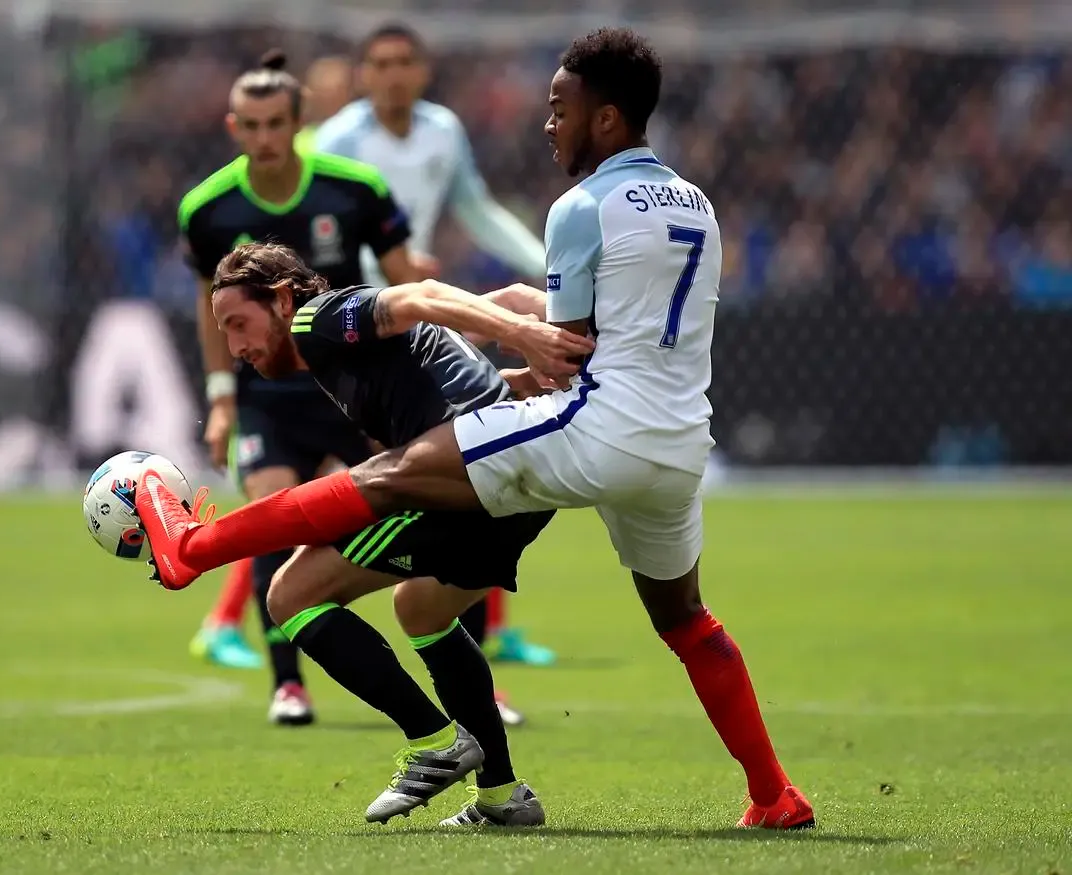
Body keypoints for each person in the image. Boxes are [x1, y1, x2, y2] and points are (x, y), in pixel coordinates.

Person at [140, 27, 815, 831]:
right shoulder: (697, 205)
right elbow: (611, 326)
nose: (548, 123)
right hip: (677, 445)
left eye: (561, 109)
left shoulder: (578, 207)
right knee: (675, 620)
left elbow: (562, 346)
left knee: (375, 487)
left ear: (606, 120)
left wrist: (525, 338)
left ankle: (193, 551)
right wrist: (518, 319)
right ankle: (771, 794)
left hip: (594, 428)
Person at [163, 241, 571, 825]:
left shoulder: (318, 319)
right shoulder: (348, 357)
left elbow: (424, 296)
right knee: (422, 608)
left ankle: (433, 742)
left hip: (467, 480)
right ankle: (502, 797)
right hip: (516, 493)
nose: (235, 348)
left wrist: (522, 332)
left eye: (238, 325)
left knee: (290, 594)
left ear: (281, 300)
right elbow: (449, 364)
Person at [179, 49, 423, 726]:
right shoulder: (207, 208)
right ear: (233, 126)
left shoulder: (353, 188)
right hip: (267, 400)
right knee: (267, 517)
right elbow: (212, 309)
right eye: (250, 126)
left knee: (418, 519)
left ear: (299, 121)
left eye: (274, 124)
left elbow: (402, 281)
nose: (263, 139)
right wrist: (222, 396)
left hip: (351, 391)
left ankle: (462, 673)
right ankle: (288, 684)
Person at [315, 22, 557, 670]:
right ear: (364, 73)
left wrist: (544, 264)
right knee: (410, 475)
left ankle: (471, 633)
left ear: (423, 70)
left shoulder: (443, 131)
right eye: (381, 63)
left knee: (464, 463)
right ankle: (286, 614)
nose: (394, 74)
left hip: (412, 319)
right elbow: (325, 241)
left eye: (405, 62)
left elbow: (475, 209)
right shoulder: (338, 141)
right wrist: (387, 278)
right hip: (354, 328)